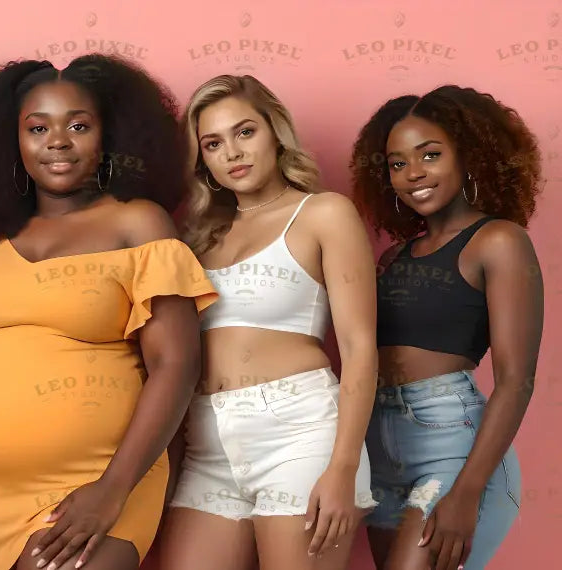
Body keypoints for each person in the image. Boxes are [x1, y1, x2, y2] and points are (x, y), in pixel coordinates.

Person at [0, 55, 218, 570]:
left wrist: (111, 490)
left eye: (78, 125)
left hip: (99, 482)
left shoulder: (137, 224)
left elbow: (177, 366)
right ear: (11, 141)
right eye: (37, 128)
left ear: (109, 135)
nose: (57, 141)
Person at [160, 74, 378, 570]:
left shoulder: (323, 214)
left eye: (245, 132)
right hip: (207, 443)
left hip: (299, 435)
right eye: (213, 143)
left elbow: (361, 348)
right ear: (203, 162)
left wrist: (342, 469)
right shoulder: (197, 238)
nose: (232, 152)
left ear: (275, 133)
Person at [351, 85, 543, 570]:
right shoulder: (393, 257)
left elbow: (517, 380)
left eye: (429, 155)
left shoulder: (498, 241)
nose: (413, 174)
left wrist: (465, 494)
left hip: (450, 445)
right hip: (378, 446)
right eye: (397, 164)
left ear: (469, 155)